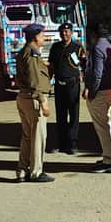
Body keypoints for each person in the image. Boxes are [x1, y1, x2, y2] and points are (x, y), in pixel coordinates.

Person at [15, 23, 54, 183]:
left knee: (27, 137)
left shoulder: (25, 52)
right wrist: (43, 101)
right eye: (42, 35)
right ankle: (36, 172)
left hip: (24, 97)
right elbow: (34, 80)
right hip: (34, 99)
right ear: (35, 37)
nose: (44, 37)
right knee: (38, 136)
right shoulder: (32, 54)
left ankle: (22, 170)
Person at [83, 21, 111, 172]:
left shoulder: (98, 48)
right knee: (106, 124)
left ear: (93, 34)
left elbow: (97, 74)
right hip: (109, 89)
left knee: (102, 127)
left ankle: (109, 160)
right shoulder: (109, 46)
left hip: (101, 91)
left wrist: (92, 92)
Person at [48, 22, 84, 155]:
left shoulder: (77, 48)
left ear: (71, 33)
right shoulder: (55, 47)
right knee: (61, 115)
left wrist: (85, 83)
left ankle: (72, 144)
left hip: (72, 84)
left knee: (74, 114)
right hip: (59, 85)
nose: (64, 34)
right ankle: (62, 144)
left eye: (67, 31)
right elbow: (51, 66)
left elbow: (84, 65)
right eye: (62, 31)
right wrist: (49, 82)